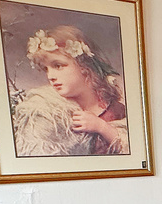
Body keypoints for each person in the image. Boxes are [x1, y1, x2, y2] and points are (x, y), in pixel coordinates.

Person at [10, 26, 129, 156]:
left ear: (84, 66)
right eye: (46, 69)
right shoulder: (46, 111)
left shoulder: (117, 110)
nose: (50, 76)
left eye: (58, 65)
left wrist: (101, 127)